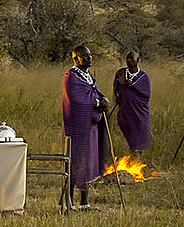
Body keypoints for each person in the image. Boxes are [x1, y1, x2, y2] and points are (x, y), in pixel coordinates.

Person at [62, 45, 109, 208]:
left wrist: (104, 99)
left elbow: (94, 92)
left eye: (90, 55)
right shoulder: (71, 77)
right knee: (75, 161)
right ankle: (68, 203)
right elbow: (76, 100)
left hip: (91, 126)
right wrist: (96, 102)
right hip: (77, 127)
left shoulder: (87, 75)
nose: (90, 58)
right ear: (76, 59)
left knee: (88, 161)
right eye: (85, 56)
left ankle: (84, 203)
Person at [112, 49, 151, 155]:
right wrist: (118, 96)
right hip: (126, 110)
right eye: (127, 58)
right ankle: (133, 153)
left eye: (132, 58)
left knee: (141, 134)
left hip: (140, 111)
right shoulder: (120, 73)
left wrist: (132, 86)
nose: (129, 60)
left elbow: (146, 95)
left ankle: (137, 160)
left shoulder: (143, 77)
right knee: (129, 132)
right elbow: (115, 89)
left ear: (138, 60)